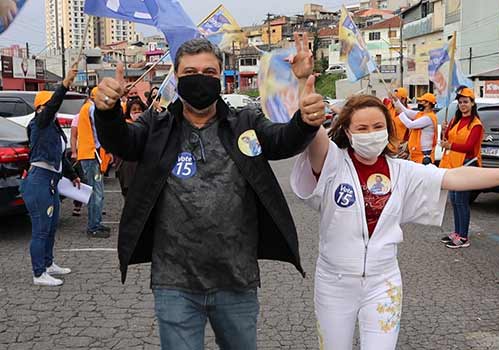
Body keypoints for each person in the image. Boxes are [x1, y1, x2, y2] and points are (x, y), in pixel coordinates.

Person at [93, 35, 325, 350]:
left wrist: (305, 120)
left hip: (237, 278)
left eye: (209, 72)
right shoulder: (157, 125)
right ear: (175, 77)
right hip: (174, 281)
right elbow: (122, 142)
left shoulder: (245, 121)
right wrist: (107, 113)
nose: (199, 79)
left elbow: (283, 139)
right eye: (189, 73)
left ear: (221, 77)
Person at [290, 94, 499, 350]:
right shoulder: (333, 163)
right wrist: (305, 92)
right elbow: (315, 133)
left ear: (388, 129)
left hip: (383, 283)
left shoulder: (402, 171)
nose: (371, 133)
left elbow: (456, 176)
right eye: (362, 128)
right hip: (335, 283)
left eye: (378, 127)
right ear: (347, 131)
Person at [20, 67, 81, 286]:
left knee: (51, 225)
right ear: (40, 108)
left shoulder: (52, 127)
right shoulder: (40, 122)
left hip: (52, 181)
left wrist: (73, 175)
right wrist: (64, 84)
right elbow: (53, 104)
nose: (54, 109)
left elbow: (61, 157)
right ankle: (39, 273)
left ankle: (48, 263)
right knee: (41, 229)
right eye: (49, 106)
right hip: (39, 181)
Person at [439, 87, 484, 248]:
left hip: (466, 166)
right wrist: (443, 132)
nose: (463, 105)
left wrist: (449, 144)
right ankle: (457, 232)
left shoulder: (476, 124)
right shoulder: (454, 120)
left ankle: (463, 237)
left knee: (462, 201)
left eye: (466, 102)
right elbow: (444, 140)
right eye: (460, 102)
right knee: (454, 200)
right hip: (453, 165)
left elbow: (469, 146)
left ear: (472, 103)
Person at [76, 87, 111, 238]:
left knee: (96, 192)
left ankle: (96, 223)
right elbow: (99, 130)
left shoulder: (86, 108)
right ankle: (93, 226)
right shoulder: (91, 109)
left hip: (90, 153)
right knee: (96, 193)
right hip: (90, 154)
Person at [393, 92, 438, 165]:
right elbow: (406, 111)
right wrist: (396, 100)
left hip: (423, 156)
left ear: (428, 104)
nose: (419, 103)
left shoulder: (428, 118)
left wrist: (400, 114)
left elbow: (410, 125)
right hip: (417, 155)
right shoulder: (421, 114)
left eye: (421, 101)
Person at [115, 98, 147, 197]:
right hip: (127, 169)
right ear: (129, 112)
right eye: (134, 109)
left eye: (139, 109)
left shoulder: (148, 126)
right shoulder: (124, 126)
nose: (137, 111)